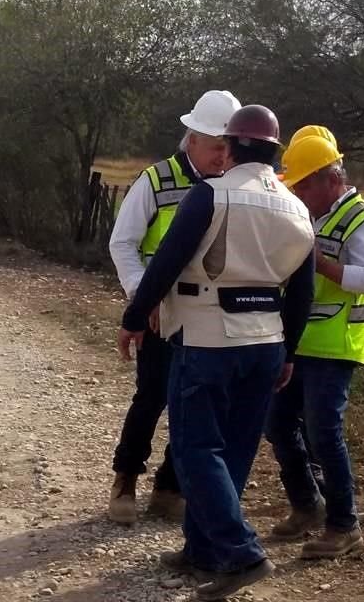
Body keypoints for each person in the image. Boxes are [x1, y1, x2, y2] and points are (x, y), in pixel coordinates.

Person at [118, 105, 315, 600]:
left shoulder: (210, 193)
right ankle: (203, 549)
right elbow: (303, 291)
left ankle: (241, 553)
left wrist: (134, 317)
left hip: (207, 335)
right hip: (266, 341)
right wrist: (289, 350)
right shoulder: (296, 207)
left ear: (228, 147)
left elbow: (166, 262)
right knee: (235, 449)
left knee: (194, 448)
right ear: (275, 153)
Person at [106, 89, 241, 524]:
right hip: (160, 314)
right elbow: (123, 243)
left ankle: (169, 486)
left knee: (198, 404)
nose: (224, 156)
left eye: (229, 147)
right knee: (152, 396)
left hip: (210, 317)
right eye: (217, 146)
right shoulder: (157, 180)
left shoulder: (233, 186)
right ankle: (125, 478)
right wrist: (139, 296)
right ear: (193, 138)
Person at [265, 129, 364, 558]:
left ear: (328, 179)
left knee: (323, 433)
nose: (297, 191)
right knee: (277, 422)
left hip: (335, 347)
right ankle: (307, 504)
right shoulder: (312, 215)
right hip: (299, 341)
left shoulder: (362, 220)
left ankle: (343, 525)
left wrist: (319, 262)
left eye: (301, 184)